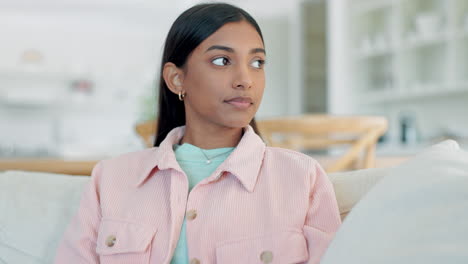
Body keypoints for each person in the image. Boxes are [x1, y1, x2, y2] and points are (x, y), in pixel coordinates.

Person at [55, 3, 341, 264]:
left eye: (257, 63)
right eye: (222, 61)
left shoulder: (303, 178)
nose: (245, 80)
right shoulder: (110, 180)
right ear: (177, 78)